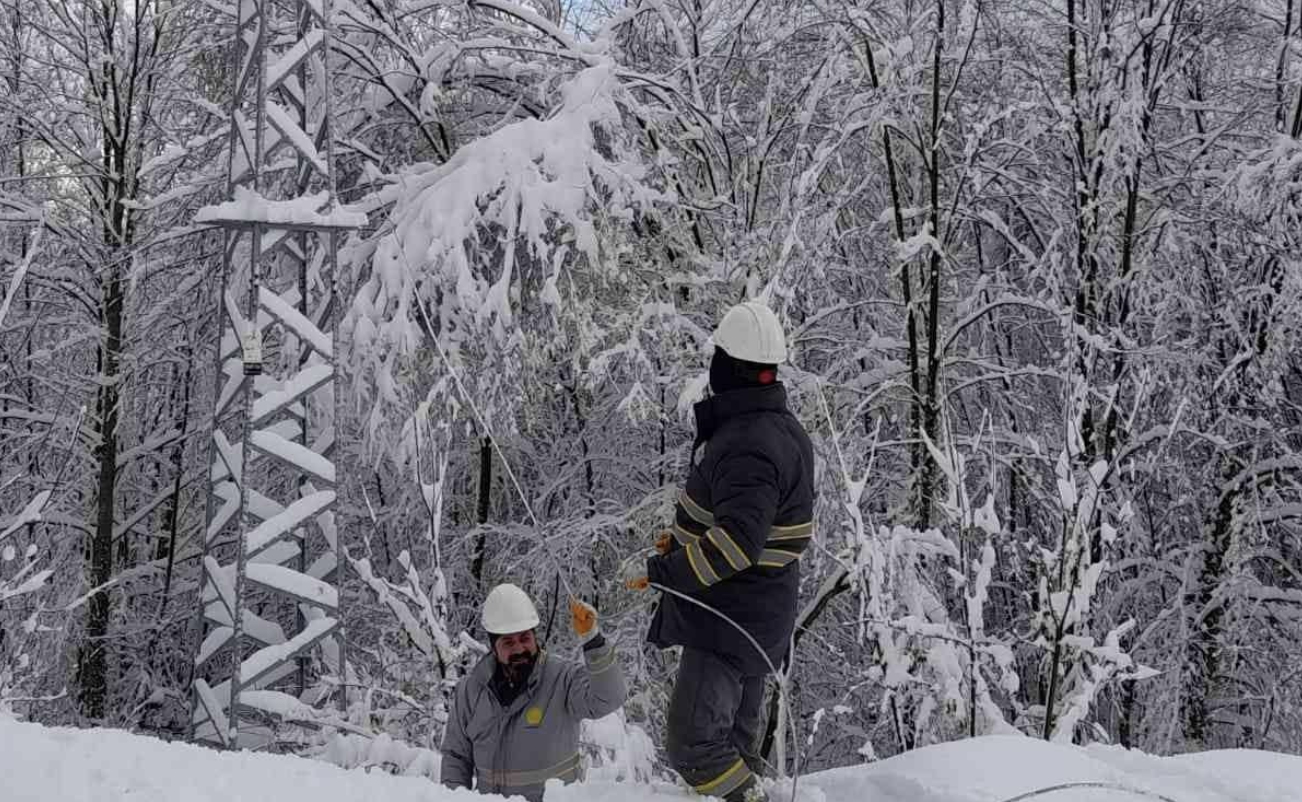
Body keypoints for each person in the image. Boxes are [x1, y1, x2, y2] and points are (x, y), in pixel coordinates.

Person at [624, 301, 815, 802]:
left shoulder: (750, 441)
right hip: (758, 618)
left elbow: (735, 545)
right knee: (734, 746)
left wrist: (667, 570)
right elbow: (749, 526)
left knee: (694, 746)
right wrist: (686, 537)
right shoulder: (777, 427)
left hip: (727, 623)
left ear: (728, 367)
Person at [440, 583, 627, 801]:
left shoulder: (562, 679)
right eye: (508, 642)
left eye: (525, 638)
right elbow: (456, 757)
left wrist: (594, 642)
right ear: (493, 646)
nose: (519, 648)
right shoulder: (470, 691)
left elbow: (609, 697)